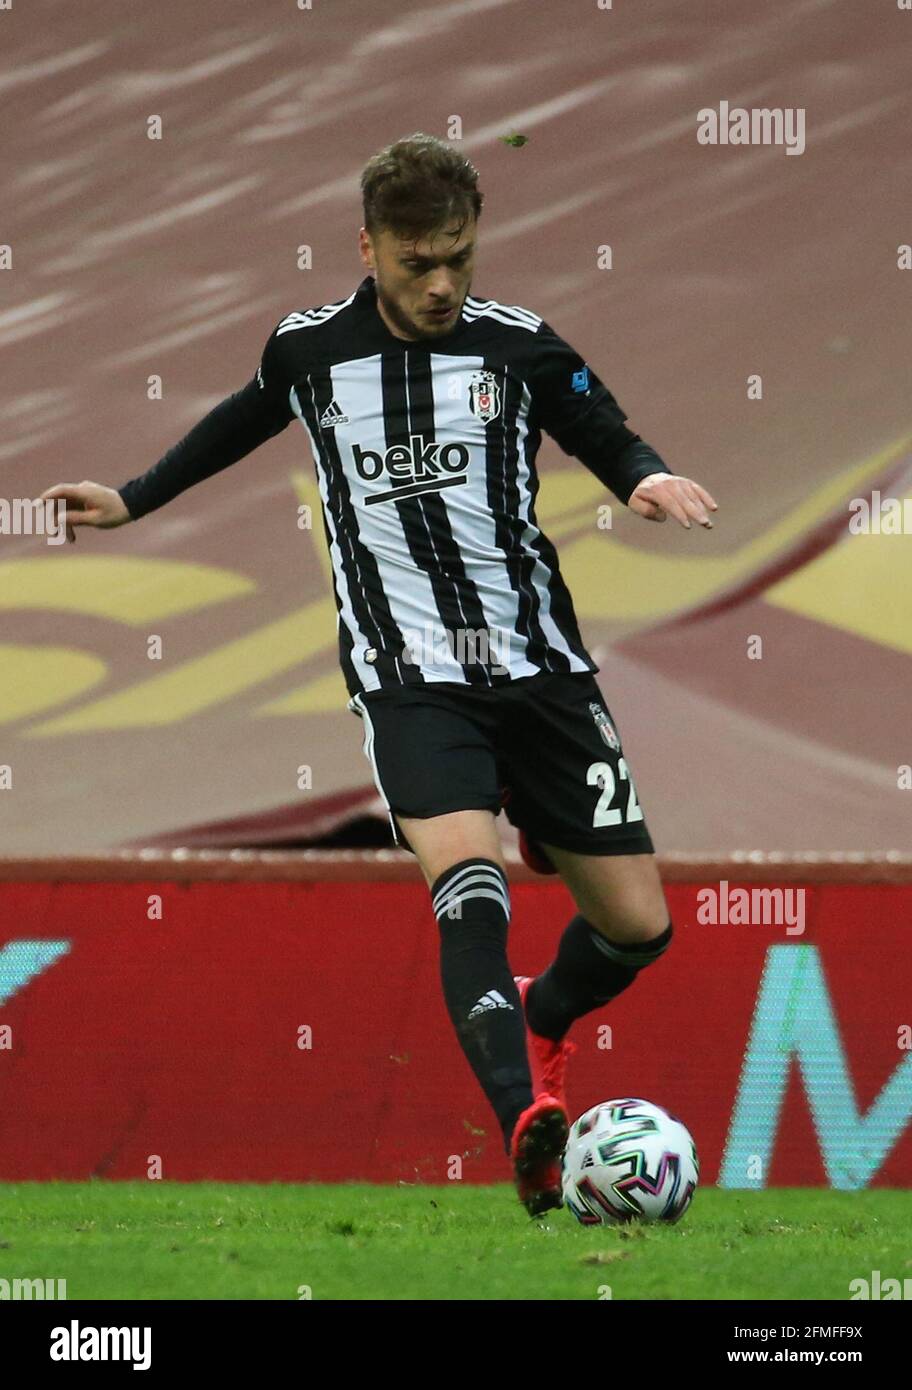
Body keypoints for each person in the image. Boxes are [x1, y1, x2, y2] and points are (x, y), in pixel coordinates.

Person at [41, 133, 717, 1217]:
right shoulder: (310, 353)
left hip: (540, 668)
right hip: (408, 677)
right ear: (368, 248)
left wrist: (645, 479)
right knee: (468, 880)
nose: (444, 282)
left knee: (640, 928)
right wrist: (132, 497)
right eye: (418, 263)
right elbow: (235, 424)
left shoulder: (519, 346)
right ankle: (524, 1122)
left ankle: (541, 1012)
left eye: (458, 255)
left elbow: (602, 426)